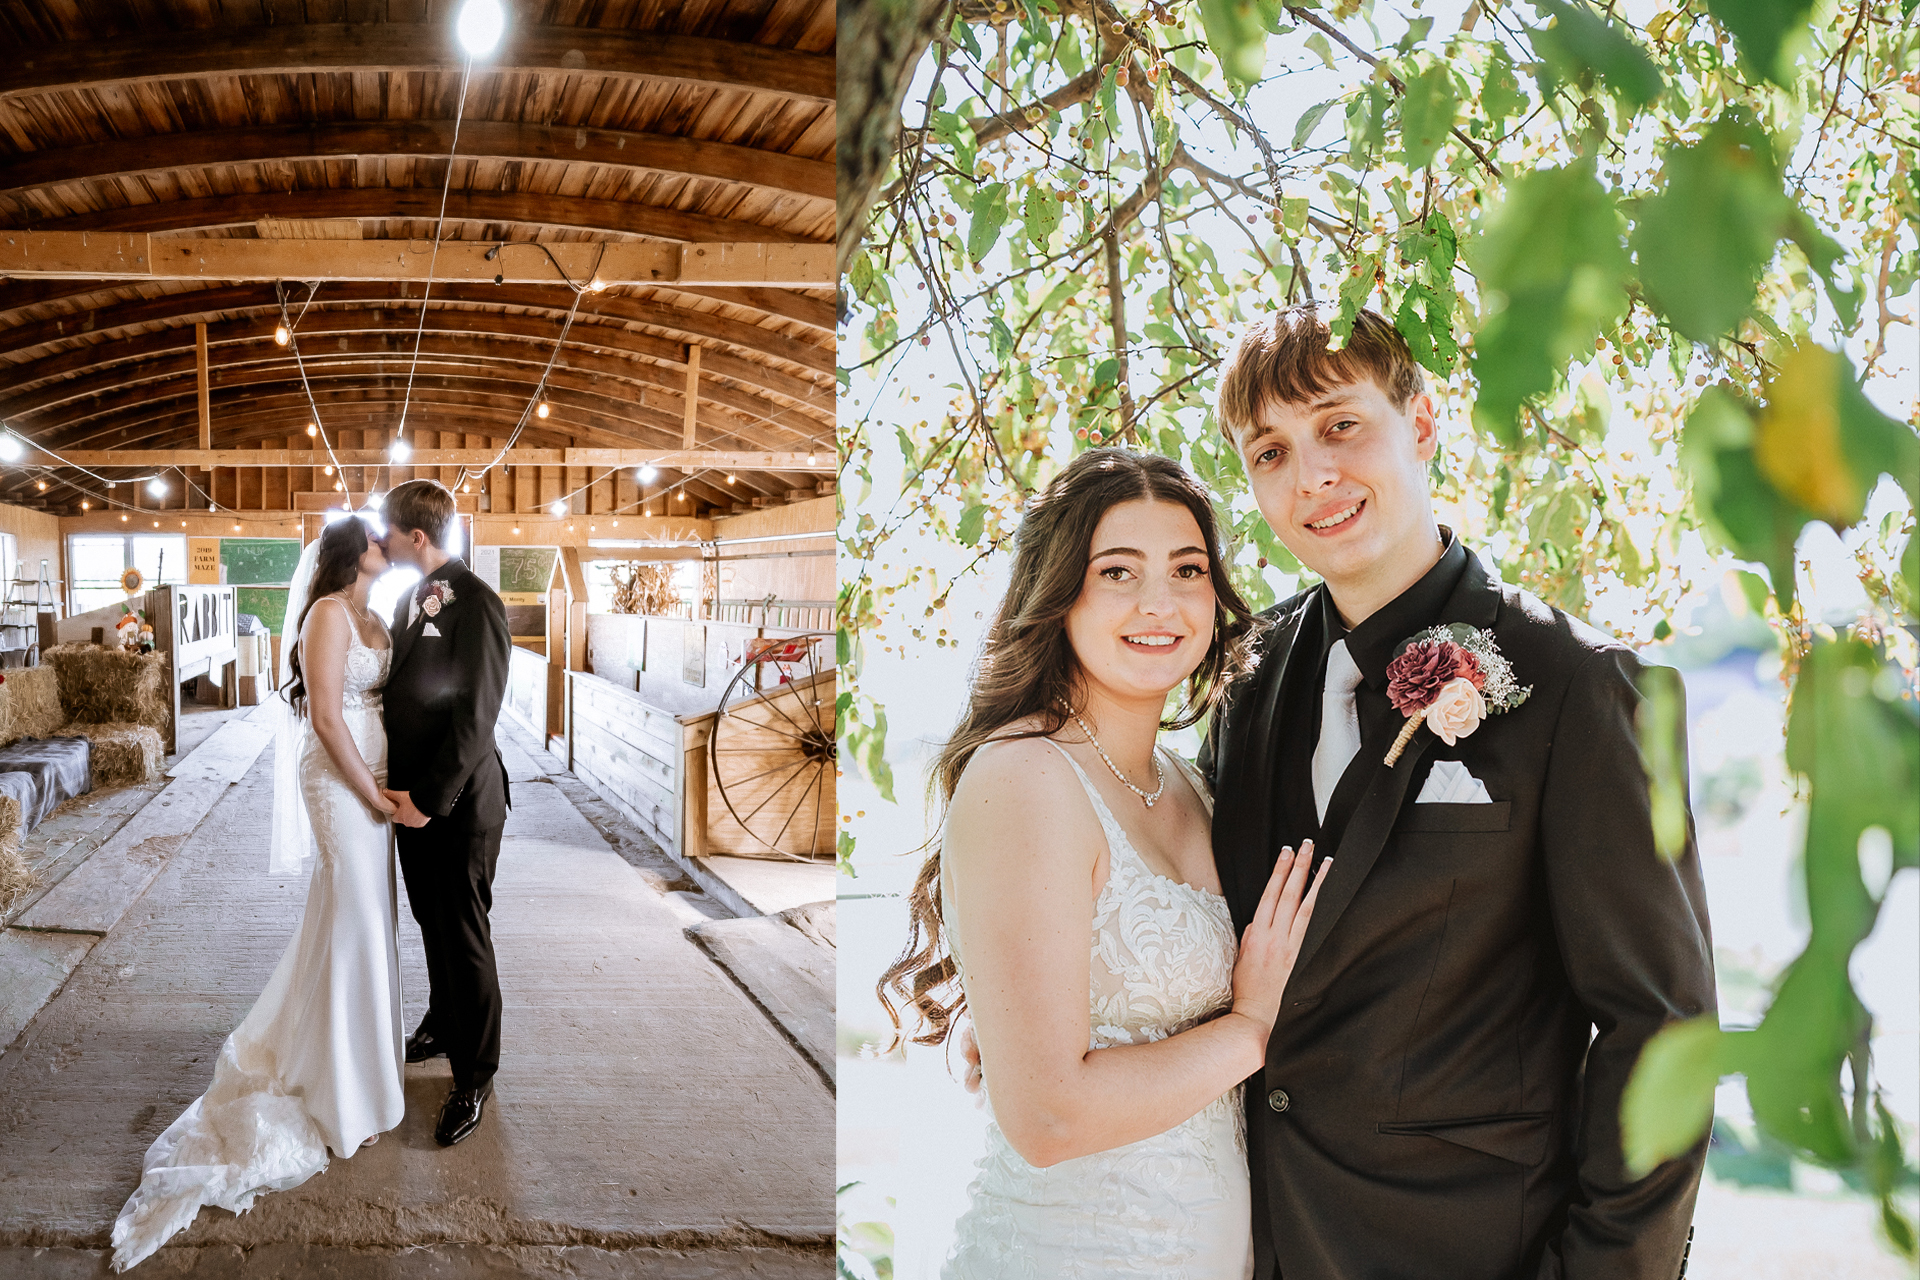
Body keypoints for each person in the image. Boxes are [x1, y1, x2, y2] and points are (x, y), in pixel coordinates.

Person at [1199, 305, 1716, 1278]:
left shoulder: (1578, 684)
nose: (1312, 475)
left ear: (1423, 424)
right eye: (1270, 452)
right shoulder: (1245, 680)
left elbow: (1661, 1031)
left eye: (1340, 425)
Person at [880, 448, 1333, 1278]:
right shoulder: (1025, 776)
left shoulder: (1195, 786)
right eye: (1118, 571)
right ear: (1059, 595)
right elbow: (1048, 1118)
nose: (1159, 602)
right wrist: (1250, 1029)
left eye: (1187, 569)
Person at [111, 513, 403, 1271]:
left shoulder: (375, 613)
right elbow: (328, 718)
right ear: (354, 553)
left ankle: (364, 1076)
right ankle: (338, 1096)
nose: (386, 544)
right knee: (352, 923)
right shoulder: (328, 614)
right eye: (375, 538)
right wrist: (370, 791)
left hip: (378, 785)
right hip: (341, 783)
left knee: (369, 925)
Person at [374, 479, 512, 1147]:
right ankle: (439, 1021)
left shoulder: (477, 602)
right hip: (413, 803)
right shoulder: (410, 598)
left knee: (464, 935)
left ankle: (474, 1076)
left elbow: (475, 717)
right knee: (431, 921)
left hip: (457, 805)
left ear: (416, 536)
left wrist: (429, 800)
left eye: (388, 530)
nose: (381, 540)